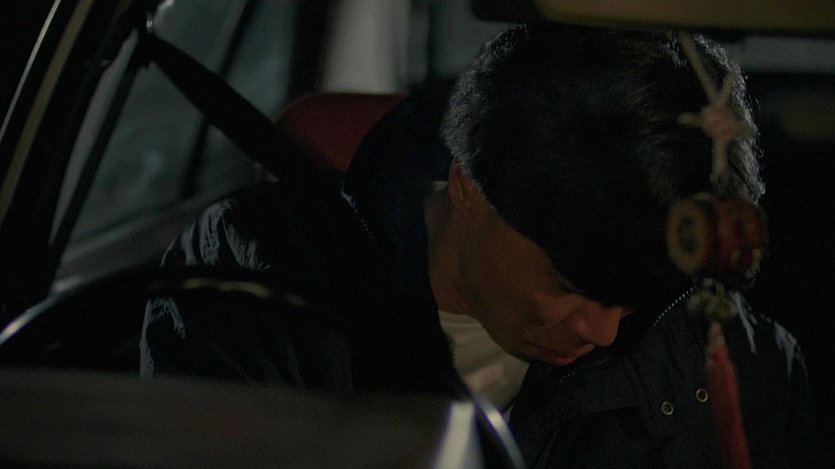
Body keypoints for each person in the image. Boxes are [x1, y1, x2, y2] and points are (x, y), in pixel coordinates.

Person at [141, 22, 817, 468]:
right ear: (469, 186)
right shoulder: (255, 285)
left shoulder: (740, 362)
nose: (603, 331)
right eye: (567, 283)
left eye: (634, 300)